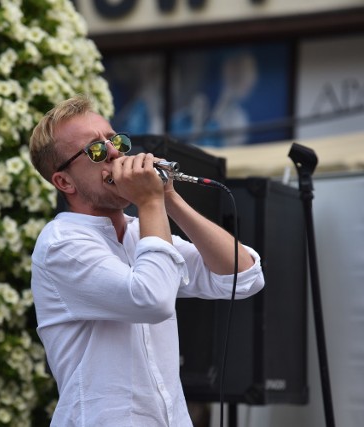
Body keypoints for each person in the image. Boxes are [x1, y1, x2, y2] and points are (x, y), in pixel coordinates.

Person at [28, 94, 265, 426]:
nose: (113, 153)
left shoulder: (143, 232)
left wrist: (168, 198)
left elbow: (245, 275)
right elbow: (151, 300)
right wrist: (151, 203)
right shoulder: (62, 244)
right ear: (64, 181)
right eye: (95, 150)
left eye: (115, 141)